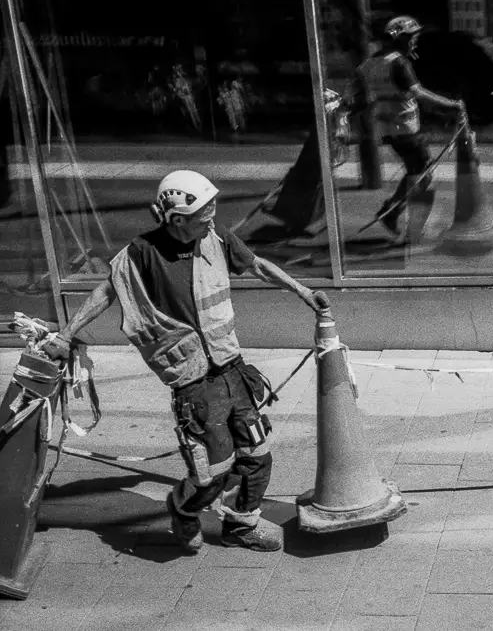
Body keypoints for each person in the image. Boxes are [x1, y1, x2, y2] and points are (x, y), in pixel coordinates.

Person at [42, 170, 330, 553]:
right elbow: (106, 291)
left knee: (257, 456)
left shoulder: (216, 238)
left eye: (212, 207)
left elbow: (257, 265)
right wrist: (65, 336)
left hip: (232, 367)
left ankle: (242, 525)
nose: (212, 216)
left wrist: (304, 291)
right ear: (177, 218)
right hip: (192, 379)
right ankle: (183, 509)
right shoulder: (142, 253)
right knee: (212, 471)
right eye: (203, 211)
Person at [357, 15, 466, 243]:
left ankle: (392, 211)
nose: (415, 42)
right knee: (423, 177)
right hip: (406, 128)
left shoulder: (370, 63)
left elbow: (365, 95)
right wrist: (451, 104)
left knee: (414, 171)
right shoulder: (399, 62)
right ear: (399, 38)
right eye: (413, 37)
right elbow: (418, 93)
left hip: (388, 127)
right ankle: (410, 229)